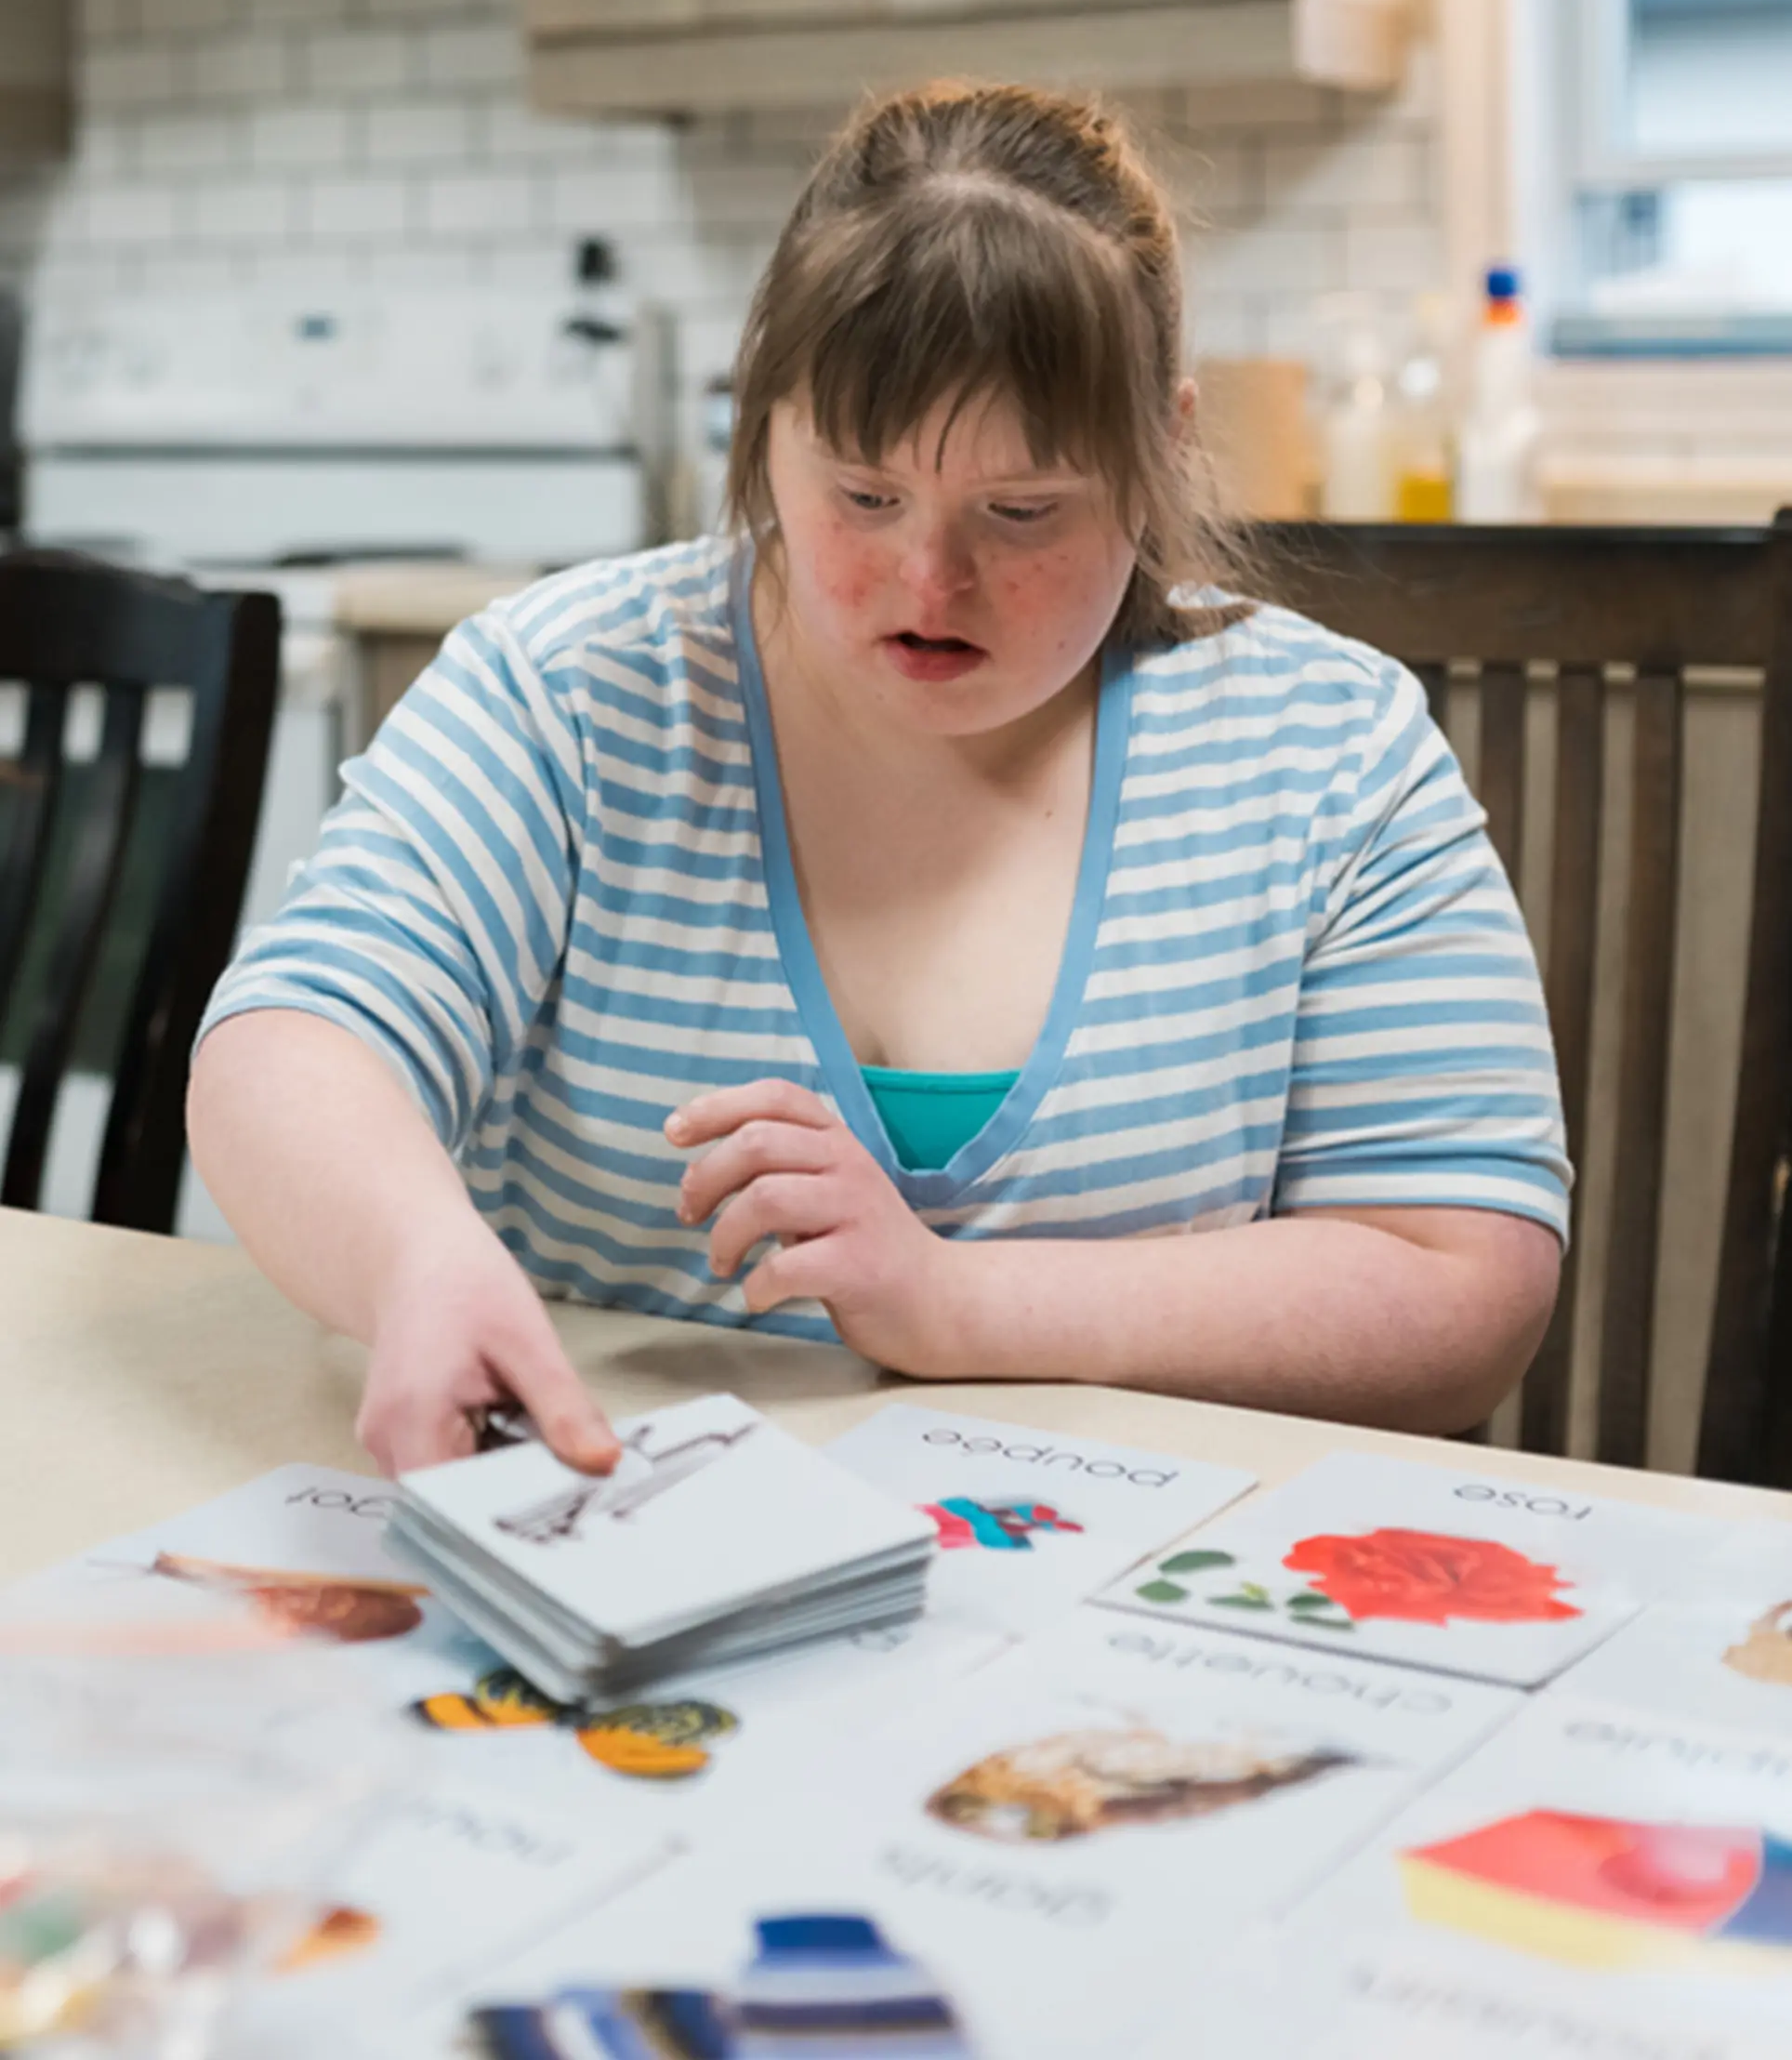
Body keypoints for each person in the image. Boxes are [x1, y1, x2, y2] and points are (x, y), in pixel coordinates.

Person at [187, 82, 1569, 1479]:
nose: (931, 580)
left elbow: (1464, 1285)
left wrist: (958, 1302)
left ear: (1161, 453)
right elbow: (293, 1044)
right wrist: (418, 1267)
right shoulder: (573, 696)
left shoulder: (1328, 751)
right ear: (766, 429)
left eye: (1022, 512)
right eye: (861, 495)